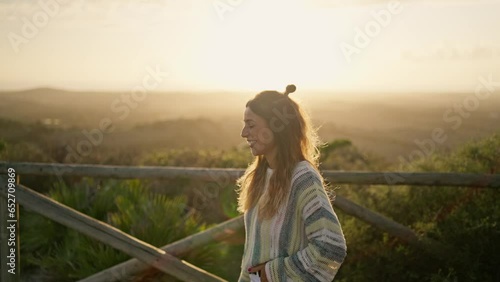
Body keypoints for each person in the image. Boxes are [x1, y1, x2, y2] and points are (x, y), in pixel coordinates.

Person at [237, 85, 347, 282]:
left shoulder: (302, 177)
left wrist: (270, 274)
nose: (244, 133)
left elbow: (330, 246)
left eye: (251, 125)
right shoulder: (259, 175)